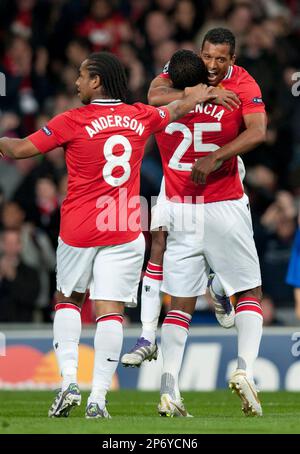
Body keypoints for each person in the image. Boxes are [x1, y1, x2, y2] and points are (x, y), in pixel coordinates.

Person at [0, 51, 216, 419]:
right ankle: (98, 399)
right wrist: (202, 93)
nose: (76, 82)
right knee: (110, 311)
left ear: (97, 81)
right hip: (125, 228)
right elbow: (176, 110)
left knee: (68, 299)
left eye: (82, 76)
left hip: (80, 228)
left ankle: (68, 382)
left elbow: (20, 150)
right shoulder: (139, 115)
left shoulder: (72, 120)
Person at [126, 28, 267, 418]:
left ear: (232, 58)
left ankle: (182, 373)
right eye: (208, 56)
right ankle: (211, 377)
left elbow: (259, 131)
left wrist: (216, 155)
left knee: (185, 299)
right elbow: (256, 131)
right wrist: (204, 95)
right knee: (242, 290)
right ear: (200, 54)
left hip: (187, 200)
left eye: (221, 58)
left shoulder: (223, 81)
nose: (213, 64)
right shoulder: (190, 76)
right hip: (208, 205)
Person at [121, 50, 238, 369]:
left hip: (198, 185)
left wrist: (192, 95)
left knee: (160, 248)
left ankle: (148, 333)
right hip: (197, 182)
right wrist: (209, 94)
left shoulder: (164, 102)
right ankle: (149, 334)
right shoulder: (225, 98)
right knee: (164, 246)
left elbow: (153, 93)